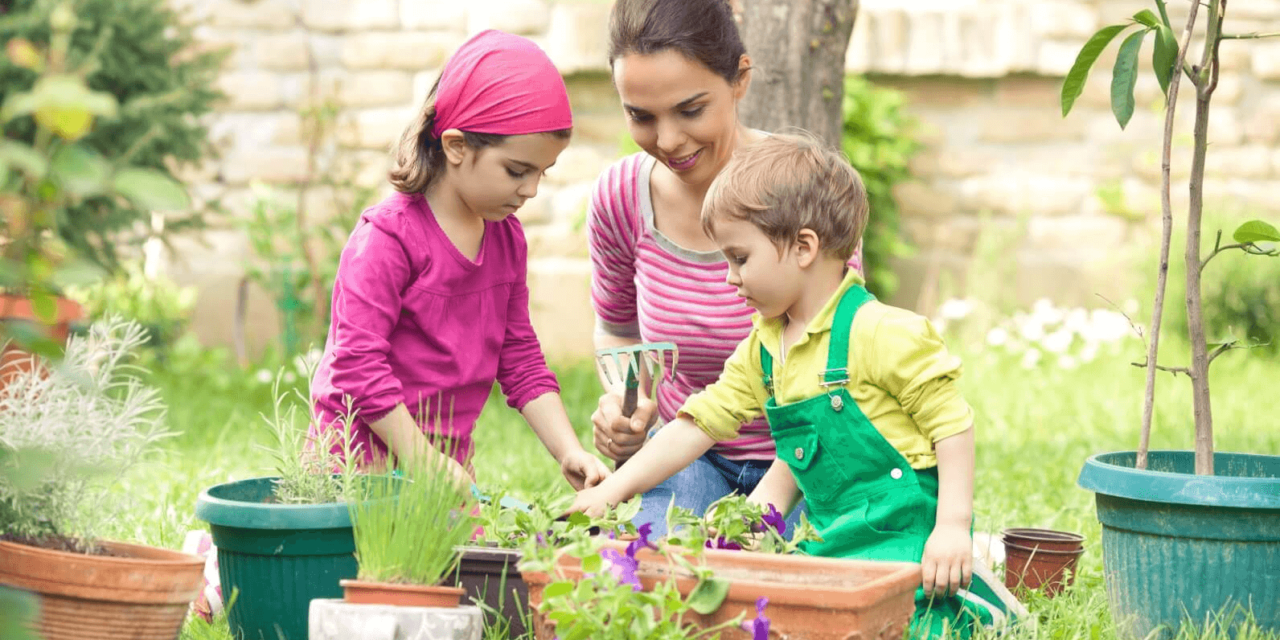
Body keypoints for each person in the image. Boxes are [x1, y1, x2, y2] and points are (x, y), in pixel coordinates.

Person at [572, 133, 1016, 636]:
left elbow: (952, 425)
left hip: (907, 536)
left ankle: (977, 588)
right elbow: (699, 426)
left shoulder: (883, 331)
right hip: (835, 539)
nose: (729, 279)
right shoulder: (765, 348)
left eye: (739, 258)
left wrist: (952, 527)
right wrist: (614, 493)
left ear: (804, 247)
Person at [588, 0, 862, 537]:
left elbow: (843, 367)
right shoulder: (621, 197)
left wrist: (770, 502)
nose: (666, 140)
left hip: (804, 457)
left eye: (690, 110)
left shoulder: (805, 189)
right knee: (658, 568)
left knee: (790, 580)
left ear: (740, 78)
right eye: (641, 116)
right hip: (684, 452)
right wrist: (630, 404)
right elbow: (618, 326)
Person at [309, 29, 609, 492]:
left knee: (471, 565)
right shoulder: (387, 240)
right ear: (455, 146)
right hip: (355, 468)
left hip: (442, 471)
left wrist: (569, 450)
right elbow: (356, 366)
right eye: (516, 171)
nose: (531, 190)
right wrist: (421, 460)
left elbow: (520, 356)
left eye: (541, 173)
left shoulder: (506, 238)